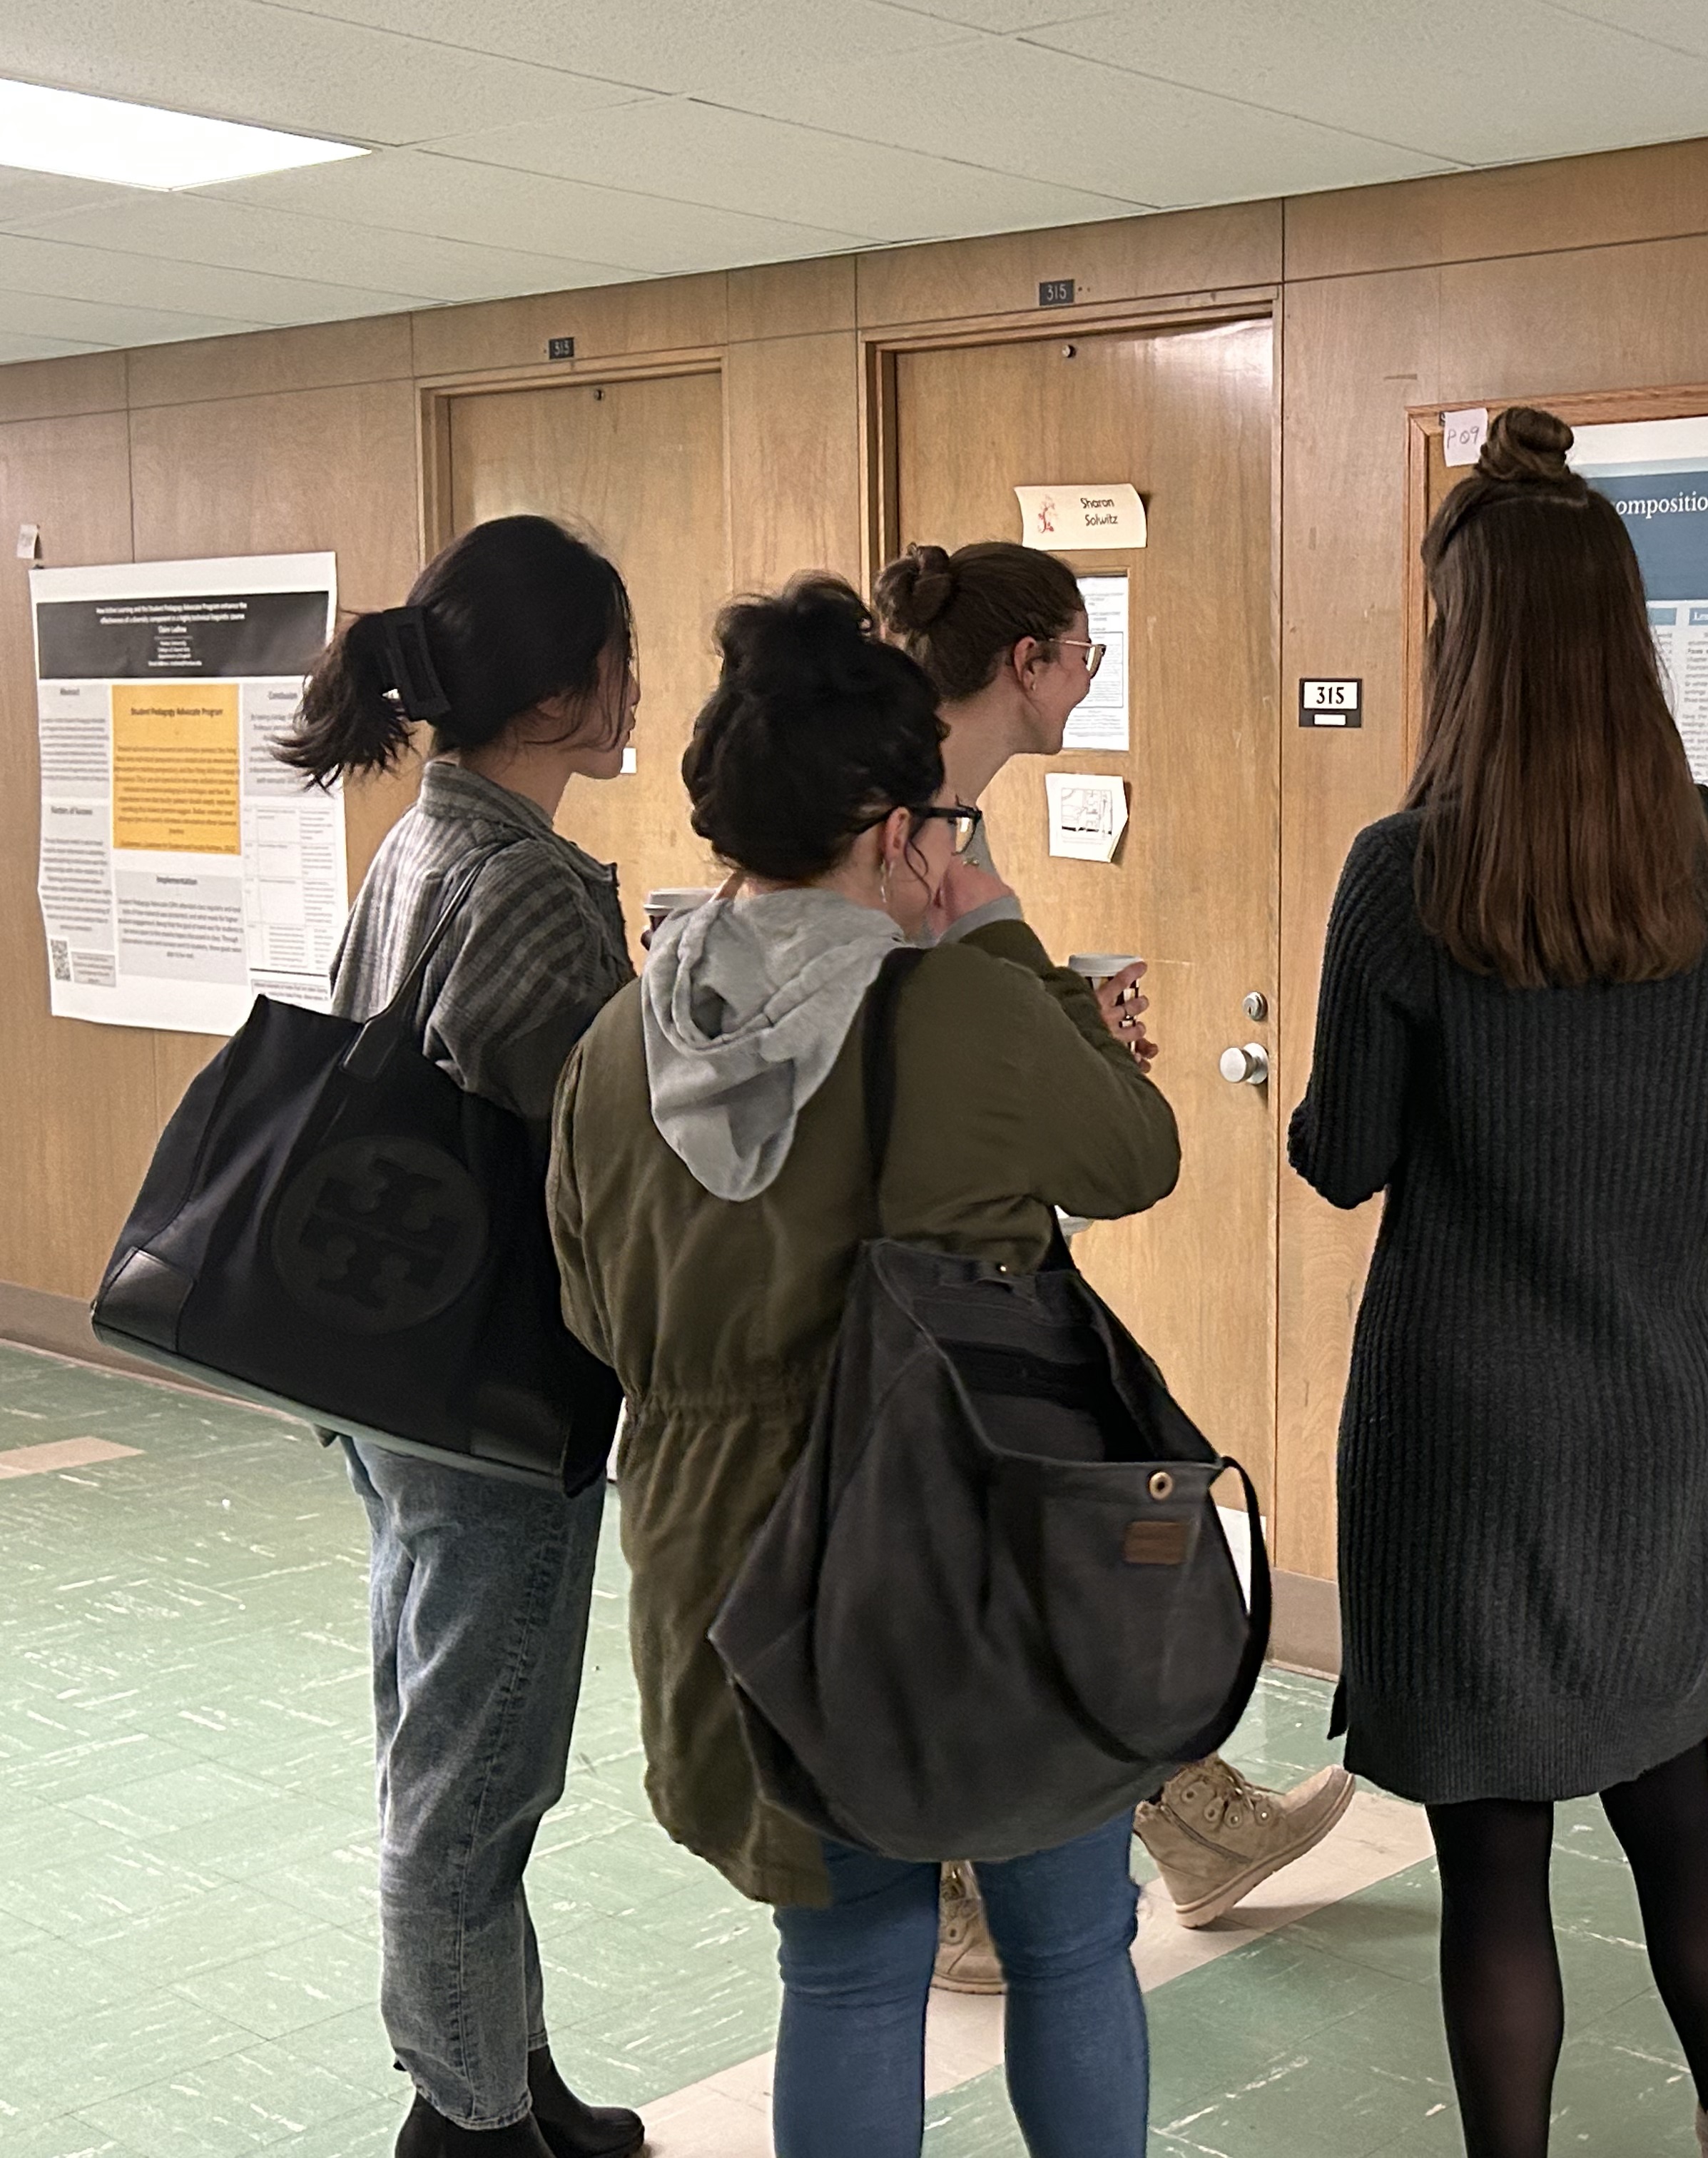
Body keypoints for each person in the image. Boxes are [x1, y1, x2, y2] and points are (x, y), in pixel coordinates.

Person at [544, 575, 1178, 2158]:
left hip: (724, 1577)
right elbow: (1136, 1154)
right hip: (973, 1558)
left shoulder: (616, 1047)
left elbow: (588, 1314)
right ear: (905, 833)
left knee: (844, 1969)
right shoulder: (955, 1006)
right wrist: (1010, 940)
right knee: (1069, 1944)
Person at [1287, 408, 1708, 2158]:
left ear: (1468, 649)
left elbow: (1343, 1156)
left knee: (1494, 1855)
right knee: (1672, 1791)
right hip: (1665, 1411)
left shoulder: (1406, 879)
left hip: (1468, 1433)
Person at [872, 539, 1355, 1992]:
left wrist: (1066, 1038)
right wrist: (1068, 1051)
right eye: (1087, 651)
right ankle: (965, 1888)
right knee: (1002, 1577)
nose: (1092, 676)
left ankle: (1190, 1821)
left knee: (1076, 1546)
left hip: (981, 1261)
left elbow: (984, 1000)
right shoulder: (910, 818)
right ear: (1029, 663)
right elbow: (963, 1023)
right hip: (925, 1287)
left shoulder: (954, 810)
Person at [282, 515, 649, 2158]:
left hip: (395, 1381)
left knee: (456, 1747)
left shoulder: (431, 836)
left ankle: (508, 2075)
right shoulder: (527, 888)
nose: (640, 690)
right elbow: (592, 1151)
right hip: (494, 1400)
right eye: (622, 661)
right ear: (567, 697)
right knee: (474, 1782)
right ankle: (465, 2122)